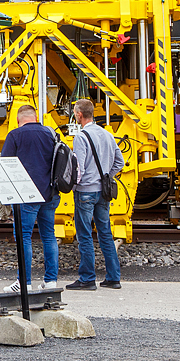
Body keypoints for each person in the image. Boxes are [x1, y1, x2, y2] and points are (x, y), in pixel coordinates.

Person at [0, 104, 60, 293]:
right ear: (35, 117)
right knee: (48, 236)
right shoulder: (51, 134)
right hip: (49, 194)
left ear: (18, 120)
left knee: (24, 237)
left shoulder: (15, 135)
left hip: (26, 195)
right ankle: (50, 282)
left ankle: (24, 282)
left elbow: (5, 163)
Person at [67, 98, 124, 290]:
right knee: (105, 234)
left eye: (75, 112)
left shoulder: (81, 137)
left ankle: (87, 279)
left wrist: (73, 185)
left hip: (86, 192)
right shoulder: (107, 134)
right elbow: (120, 162)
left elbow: (79, 169)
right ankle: (113, 278)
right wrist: (106, 176)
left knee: (84, 235)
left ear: (79, 115)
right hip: (103, 192)